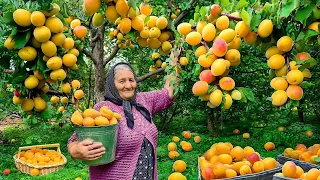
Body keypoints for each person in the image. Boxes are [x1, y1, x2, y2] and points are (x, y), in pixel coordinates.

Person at [67, 62, 178, 180]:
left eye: (131, 80)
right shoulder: (104, 108)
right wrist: (77, 150)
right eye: (122, 81)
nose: (128, 85)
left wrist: (175, 56)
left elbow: (168, 93)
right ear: (112, 84)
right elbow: (74, 140)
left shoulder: (144, 100)